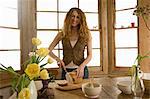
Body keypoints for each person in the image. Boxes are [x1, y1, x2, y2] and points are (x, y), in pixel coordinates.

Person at [48, 7, 92, 80]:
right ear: (68, 17)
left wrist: (82, 66)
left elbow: (90, 55)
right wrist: (58, 60)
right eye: (73, 16)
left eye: (78, 17)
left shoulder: (86, 34)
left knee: (81, 91)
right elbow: (49, 50)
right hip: (66, 71)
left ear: (81, 19)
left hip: (81, 71)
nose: (75, 19)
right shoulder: (62, 34)